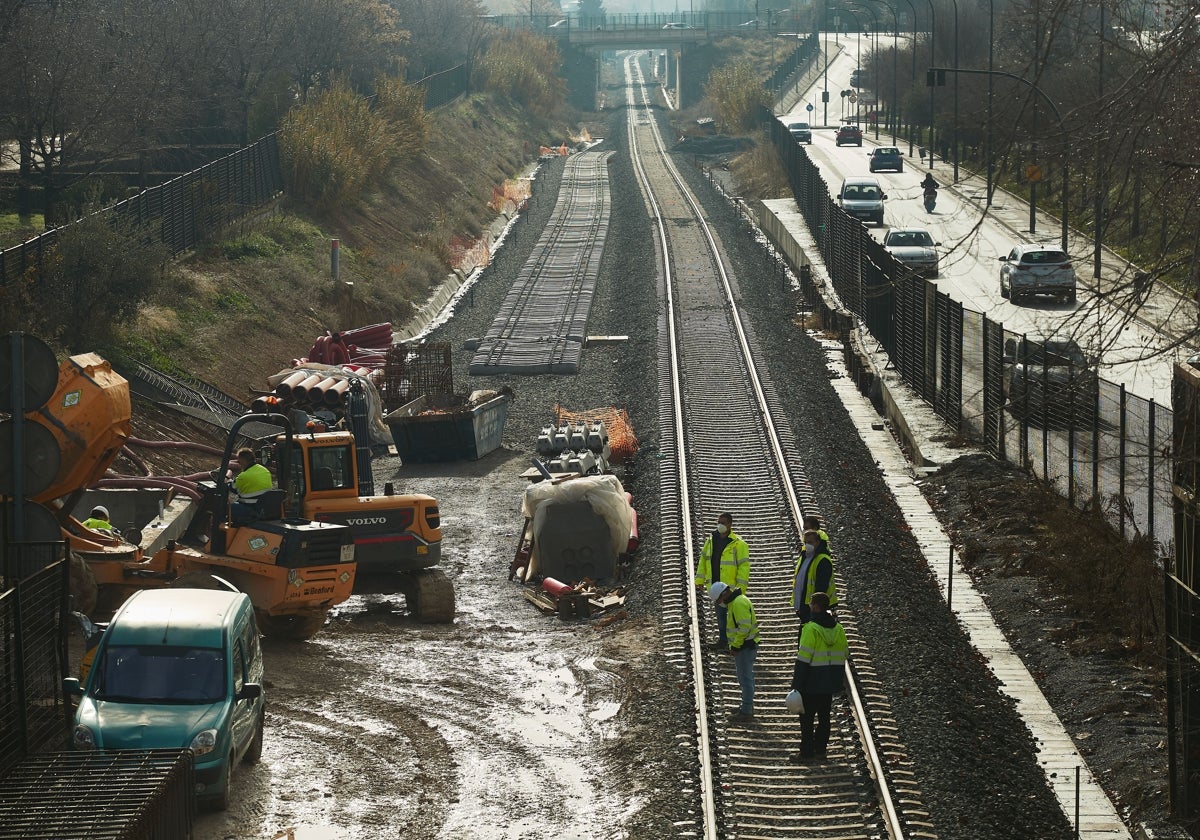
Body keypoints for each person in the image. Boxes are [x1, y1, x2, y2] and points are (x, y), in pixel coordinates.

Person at [789, 591, 848, 762]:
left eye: (811, 604)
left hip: (811, 681)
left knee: (806, 719)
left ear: (815, 607)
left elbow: (803, 658)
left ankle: (806, 753)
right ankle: (821, 750)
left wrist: (796, 684)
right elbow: (845, 653)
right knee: (824, 717)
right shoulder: (838, 629)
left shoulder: (811, 628)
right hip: (829, 682)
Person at [694, 513, 750, 649]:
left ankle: (735, 643)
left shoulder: (738, 544)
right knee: (720, 616)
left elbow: (744, 566)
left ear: (730, 524)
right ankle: (723, 641)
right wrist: (699, 580)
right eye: (719, 522)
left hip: (730, 589)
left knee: (733, 617)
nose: (720, 525)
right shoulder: (711, 540)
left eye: (723, 523)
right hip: (716, 587)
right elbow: (703, 560)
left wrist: (740, 587)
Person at [709, 581, 760, 723]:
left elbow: (744, 627)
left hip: (745, 646)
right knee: (745, 677)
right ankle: (745, 706)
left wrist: (736, 646)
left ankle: (746, 710)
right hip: (745, 645)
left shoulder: (738, 604)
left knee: (745, 679)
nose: (719, 603)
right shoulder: (737, 601)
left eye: (719, 600)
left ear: (724, 594)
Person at [792, 527, 837, 626]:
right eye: (805, 543)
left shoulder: (822, 560)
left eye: (810, 542)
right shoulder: (805, 557)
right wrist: (798, 605)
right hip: (806, 606)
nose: (807, 545)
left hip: (815, 607)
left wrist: (816, 607)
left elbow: (822, 585)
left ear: (818, 542)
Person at [231, 447, 273, 522]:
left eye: (239, 461)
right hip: (264, 507)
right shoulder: (264, 470)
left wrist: (226, 481)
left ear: (243, 460)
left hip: (251, 508)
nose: (239, 463)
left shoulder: (244, 476)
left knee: (228, 507)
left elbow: (232, 488)